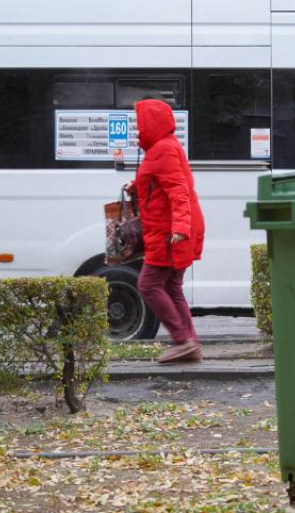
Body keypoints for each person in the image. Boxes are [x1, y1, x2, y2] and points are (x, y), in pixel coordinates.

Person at [125, 99, 205, 364]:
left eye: (140, 123)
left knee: (148, 284)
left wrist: (180, 228)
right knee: (172, 286)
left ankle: (183, 341)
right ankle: (190, 343)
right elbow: (159, 182)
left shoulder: (163, 149)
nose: (137, 129)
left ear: (152, 123)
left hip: (170, 231)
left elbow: (178, 191)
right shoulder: (162, 148)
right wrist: (135, 185)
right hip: (173, 228)